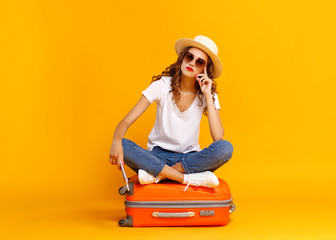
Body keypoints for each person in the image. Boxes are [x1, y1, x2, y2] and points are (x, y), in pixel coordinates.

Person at [109, 35, 233, 192]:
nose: (192, 63)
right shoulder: (161, 86)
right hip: (157, 156)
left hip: (189, 159)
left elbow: (218, 138)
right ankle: (185, 179)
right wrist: (116, 139)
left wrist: (208, 95)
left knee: (225, 148)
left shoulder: (208, 94)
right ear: (182, 58)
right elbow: (125, 122)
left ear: (205, 69)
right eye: (189, 56)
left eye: (200, 61)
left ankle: (159, 175)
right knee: (124, 145)